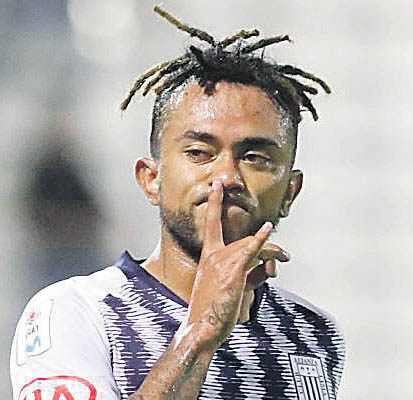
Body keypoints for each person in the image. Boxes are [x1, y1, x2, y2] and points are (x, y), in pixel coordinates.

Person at [10, 6, 345, 400]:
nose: (226, 176)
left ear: (290, 191)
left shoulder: (312, 334)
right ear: (151, 179)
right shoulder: (74, 314)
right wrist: (201, 331)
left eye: (254, 157)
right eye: (199, 152)